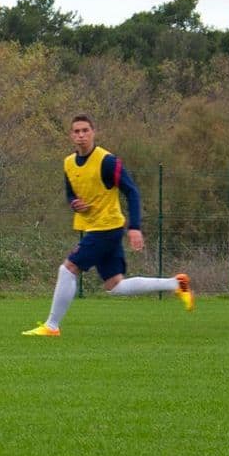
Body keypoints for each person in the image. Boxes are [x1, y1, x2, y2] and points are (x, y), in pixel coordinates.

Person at [23, 115, 192, 337]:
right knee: (115, 285)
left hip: (107, 228)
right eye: (76, 131)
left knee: (68, 269)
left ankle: (51, 326)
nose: (81, 135)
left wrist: (135, 227)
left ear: (94, 132)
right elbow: (70, 193)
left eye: (85, 130)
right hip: (95, 228)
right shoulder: (68, 163)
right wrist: (74, 203)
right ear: (71, 135)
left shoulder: (107, 161)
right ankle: (176, 284)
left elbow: (132, 191)